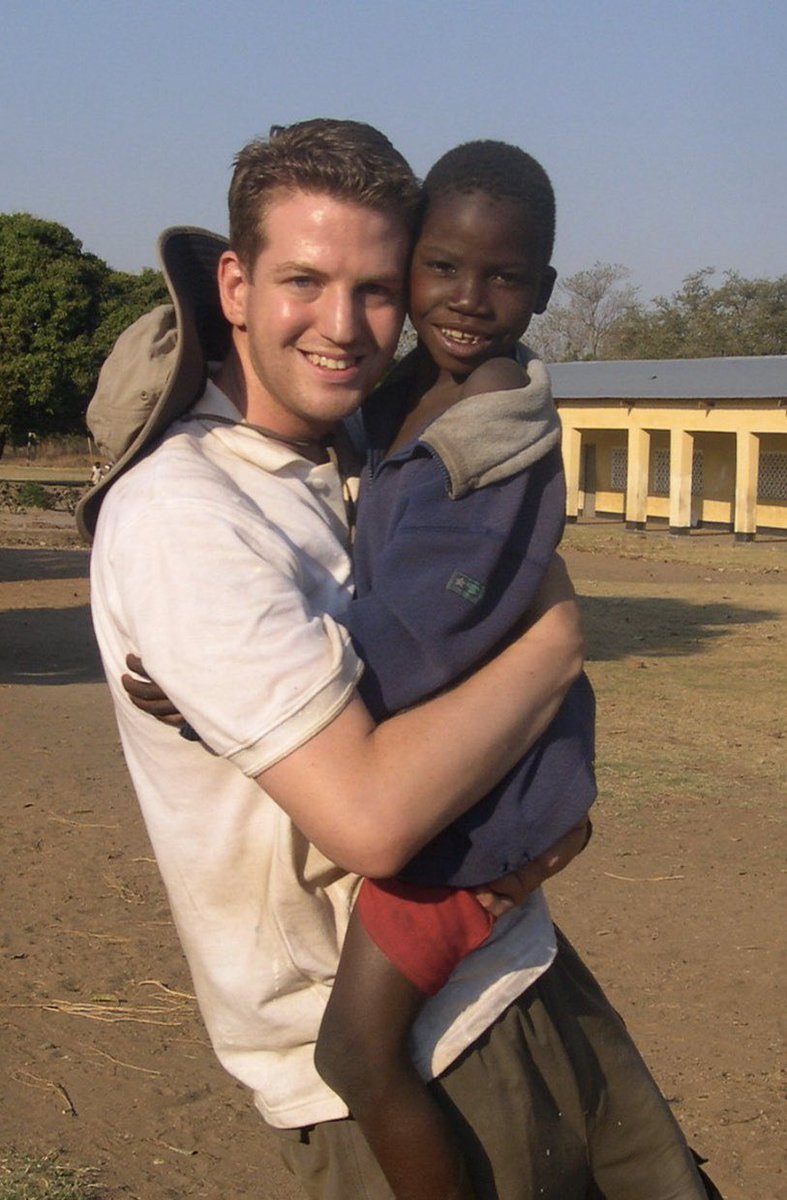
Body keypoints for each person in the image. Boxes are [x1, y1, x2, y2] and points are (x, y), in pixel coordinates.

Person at [78, 120, 713, 1200]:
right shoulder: (185, 515)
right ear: (232, 284)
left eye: (376, 287)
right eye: (304, 280)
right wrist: (556, 645)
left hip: (516, 972)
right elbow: (370, 816)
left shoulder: (367, 453)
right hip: (410, 1053)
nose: (344, 324)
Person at [312, 141, 597, 1200]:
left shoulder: (495, 455)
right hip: (457, 787)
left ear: (545, 289)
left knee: (354, 1055)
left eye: (505, 276)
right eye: (443, 267)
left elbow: (420, 644)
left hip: (477, 815)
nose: (468, 298)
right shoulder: (404, 401)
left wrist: (227, 700)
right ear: (407, 261)